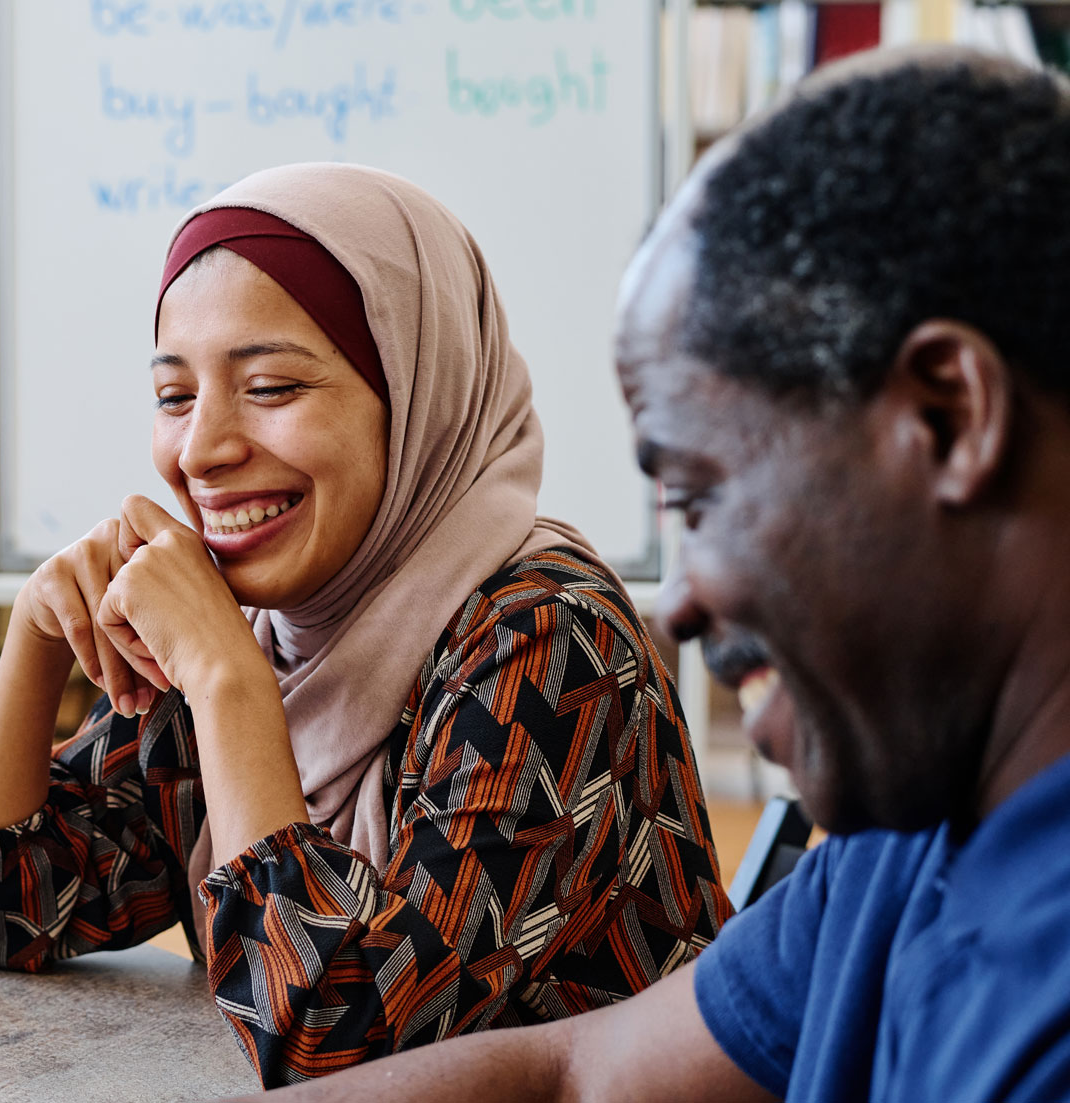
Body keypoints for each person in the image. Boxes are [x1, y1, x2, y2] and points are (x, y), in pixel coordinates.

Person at [212, 45, 1070, 1103]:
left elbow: (342, 1018)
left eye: (703, 496)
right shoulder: (904, 839)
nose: (681, 597)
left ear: (943, 419)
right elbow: (575, 1068)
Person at [0, 163, 730, 1087]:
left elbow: (338, 1042)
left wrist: (228, 686)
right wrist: (35, 637)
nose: (203, 450)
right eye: (175, 397)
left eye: (268, 388)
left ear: (417, 392)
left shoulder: (547, 638)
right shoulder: (273, 623)